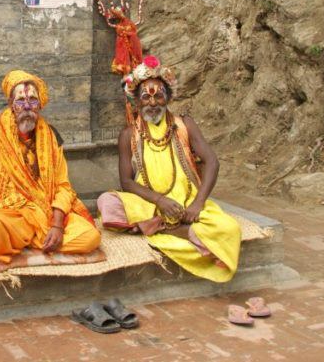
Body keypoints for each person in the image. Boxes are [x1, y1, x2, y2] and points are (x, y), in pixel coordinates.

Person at [97, 55, 241, 282]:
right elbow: (127, 182)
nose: (152, 103)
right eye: (146, 96)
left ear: (168, 98)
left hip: (186, 204)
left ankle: (161, 228)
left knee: (229, 229)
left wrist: (198, 203)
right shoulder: (128, 135)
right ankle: (171, 228)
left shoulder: (185, 125)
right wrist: (160, 201)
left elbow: (212, 161)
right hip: (150, 205)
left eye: (158, 96)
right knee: (107, 202)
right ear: (136, 101)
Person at [0, 70, 101, 264]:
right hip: (8, 213)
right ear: (12, 105)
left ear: (40, 105)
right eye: (20, 101)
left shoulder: (50, 136)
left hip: (44, 213)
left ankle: (18, 240)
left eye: (32, 100)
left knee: (90, 237)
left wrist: (57, 225)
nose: (27, 106)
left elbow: (63, 186)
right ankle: (19, 236)